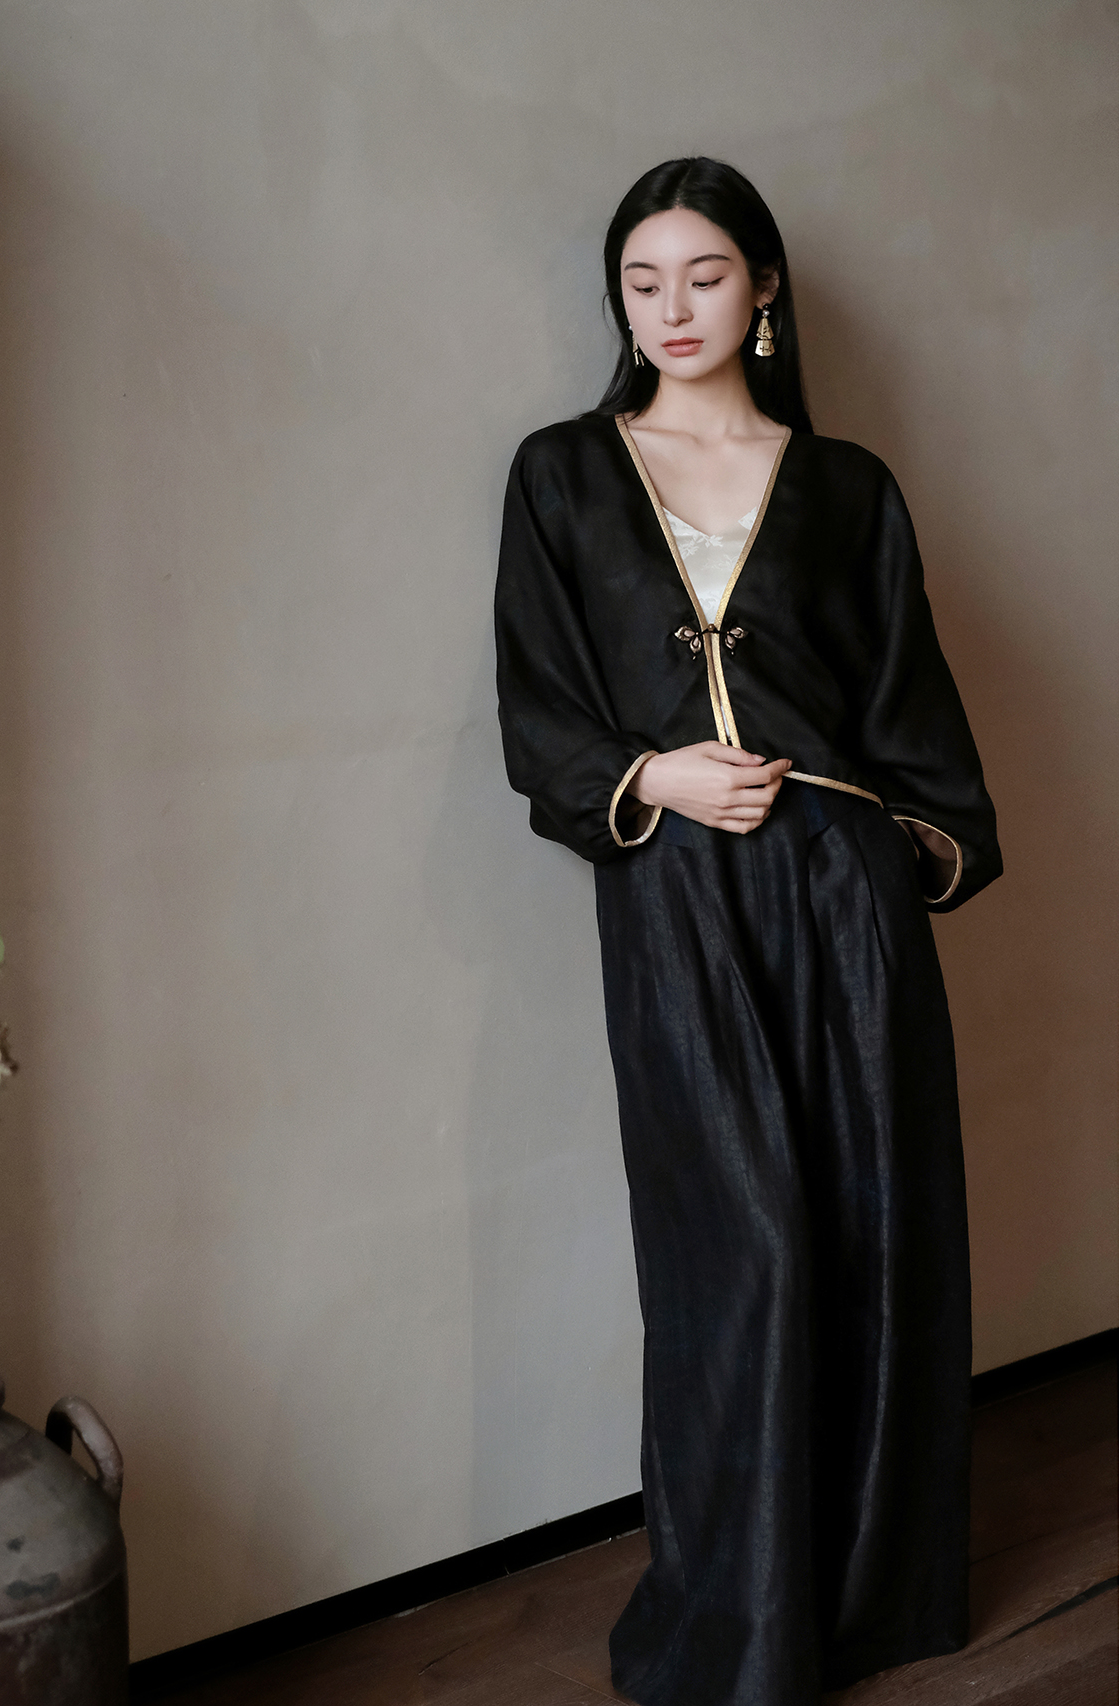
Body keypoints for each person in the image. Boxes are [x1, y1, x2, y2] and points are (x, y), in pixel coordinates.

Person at [493, 157, 1001, 1706]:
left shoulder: (849, 487)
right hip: (674, 890)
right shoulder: (563, 473)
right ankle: (741, 1626)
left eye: (705, 275)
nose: (674, 308)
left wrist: (896, 847)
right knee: (744, 1247)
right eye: (643, 281)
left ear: (763, 286)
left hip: (844, 894)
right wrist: (651, 775)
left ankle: (865, 1600)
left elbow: (910, 708)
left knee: (871, 1234)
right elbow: (538, 703)